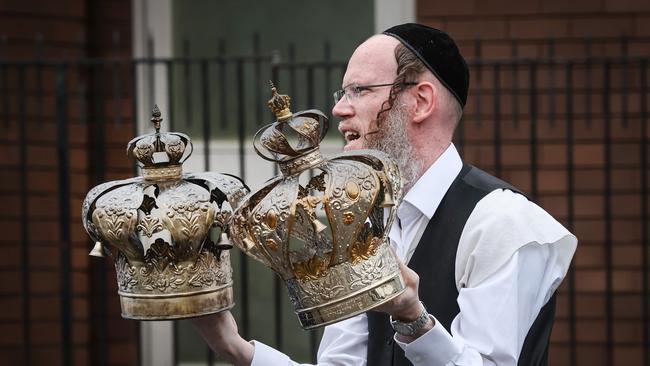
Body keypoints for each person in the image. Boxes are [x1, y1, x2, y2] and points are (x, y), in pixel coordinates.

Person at [192, 23, 577, 366]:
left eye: (358, 90)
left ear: (421, 101)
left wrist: (414, 319)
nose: (338, 109)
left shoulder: (503, 223)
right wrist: (238, 350)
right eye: (342, 92)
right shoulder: (360, 224)